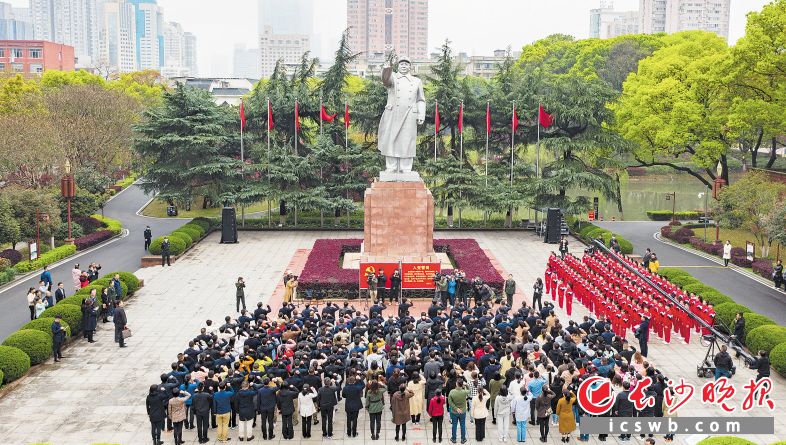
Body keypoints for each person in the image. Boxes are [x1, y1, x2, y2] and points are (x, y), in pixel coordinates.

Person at [448, 378, 469, 444]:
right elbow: (469, 390)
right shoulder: (464, 392)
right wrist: (466, 385)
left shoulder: (452, 392)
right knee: (462, 425)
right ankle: (463, 439)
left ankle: (454, 439)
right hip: (463, 412)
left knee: (454, 425)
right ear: (462, 385)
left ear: (457, 384)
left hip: (454, 412)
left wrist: (456, 408)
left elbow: (450, 402)